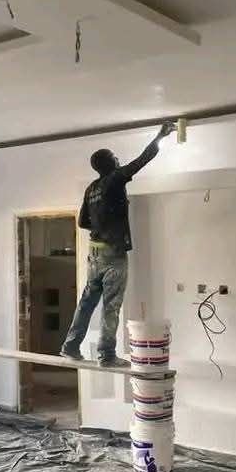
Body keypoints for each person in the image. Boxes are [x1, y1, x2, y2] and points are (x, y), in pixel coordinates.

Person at [60, 122, 176, 366]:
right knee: (111, 305)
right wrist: (160, 135)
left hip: (94, 253)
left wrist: (101, 225)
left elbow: (82, 221)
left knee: (87, 302)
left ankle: (70, 346)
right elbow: (142, 160)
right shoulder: (114, 179)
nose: (118, 159)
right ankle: (107, 355)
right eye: (115, 157)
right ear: (109, 164)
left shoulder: (91, 188)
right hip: (113, 253)